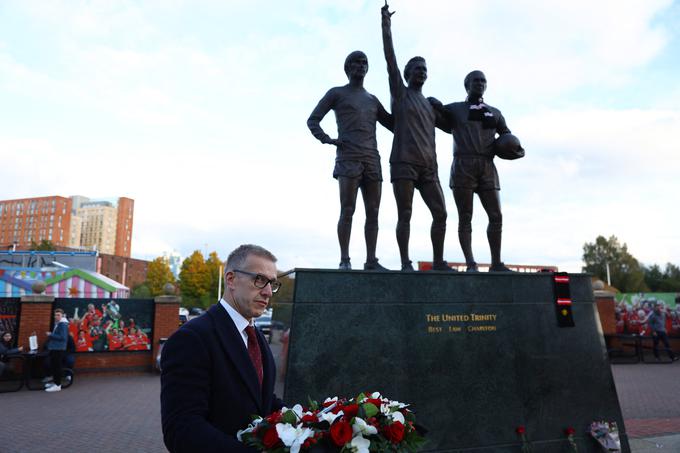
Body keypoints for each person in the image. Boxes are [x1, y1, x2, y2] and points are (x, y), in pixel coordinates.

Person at [161, 244, 284, 452]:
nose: (268, 292)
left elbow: (261, 399)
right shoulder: (192, 339)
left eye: (272, 283)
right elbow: (182, 430)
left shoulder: (256, 336)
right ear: (231, 279)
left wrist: (314, 422)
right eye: (260, 280)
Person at [381, 1, 453, 272]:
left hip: (429, 167)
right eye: (417, 69)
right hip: (403, 163)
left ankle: (437, 262)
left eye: (425, 69)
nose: (422, 72)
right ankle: (404, 262)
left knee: (441, 214)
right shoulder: (400, 93)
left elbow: (452, 126)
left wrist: (443, 109)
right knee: (406, 214)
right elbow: (390, 60)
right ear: (408, 74)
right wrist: (386, 25)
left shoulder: (430, 104)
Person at [308, 50, 393, 270]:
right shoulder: (336, 93)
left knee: (373, 211)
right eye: (356, 62)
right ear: (347, 67)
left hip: (372, 159)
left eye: (364, 62)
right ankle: (344, 259)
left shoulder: (372, 100)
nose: (361, 65)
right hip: (348, 158)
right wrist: (327, 140)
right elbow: (313, 120)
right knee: (348, 209)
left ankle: (371, 260)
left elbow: (394, 125)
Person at [429, 70, 521, 272]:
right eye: (475, 81)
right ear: (466, 85)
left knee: (496, 216)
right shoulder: (454, 109)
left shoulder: (495, 113)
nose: (479, 83)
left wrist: (513, 149)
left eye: (483, 81)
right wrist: (434, 105)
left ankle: (496, 263)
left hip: (487, 165)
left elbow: (507, 136)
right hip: (463, 165)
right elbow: (434, 118)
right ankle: (470, 262)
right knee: (465, 216)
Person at [45, 308, 69, 392]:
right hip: (56, 348)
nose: (56, 316)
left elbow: (63, 337)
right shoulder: (59, 323)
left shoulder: (62, 324)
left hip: (58, 349)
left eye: (58, 315)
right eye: (55, 315)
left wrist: (51, 335)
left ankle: (57, 385)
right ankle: (55, 383)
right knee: (55, 366)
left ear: (62, 315)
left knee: (57, 367)